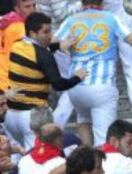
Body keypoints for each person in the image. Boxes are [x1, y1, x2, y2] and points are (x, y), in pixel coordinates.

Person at [54, 0, 132, 145]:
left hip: (76, 89)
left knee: (84, 119)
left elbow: (49, 42)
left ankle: (86, 154)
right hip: (101, 88)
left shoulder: (71, 20)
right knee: (103, 143)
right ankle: (101, 160)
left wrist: (60, 45)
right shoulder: (111, 19)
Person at [4, 12, 87, 151]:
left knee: (19, 158)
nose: (50, 35)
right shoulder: (45, 56)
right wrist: (77, 77)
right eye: (46, 32)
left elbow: (36, 51)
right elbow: (58, 84)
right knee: (40, 158)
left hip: (11, 117)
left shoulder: (17, 45)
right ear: (33, 33)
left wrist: (58, 45)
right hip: (32, 118)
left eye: (50, 30)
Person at [0, 0, 36, 91]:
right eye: (27, 7)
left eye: (34, 5)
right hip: (10, 83)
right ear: (17, 8)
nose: (32, 10)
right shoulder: (19, 28)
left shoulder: (8, 19)